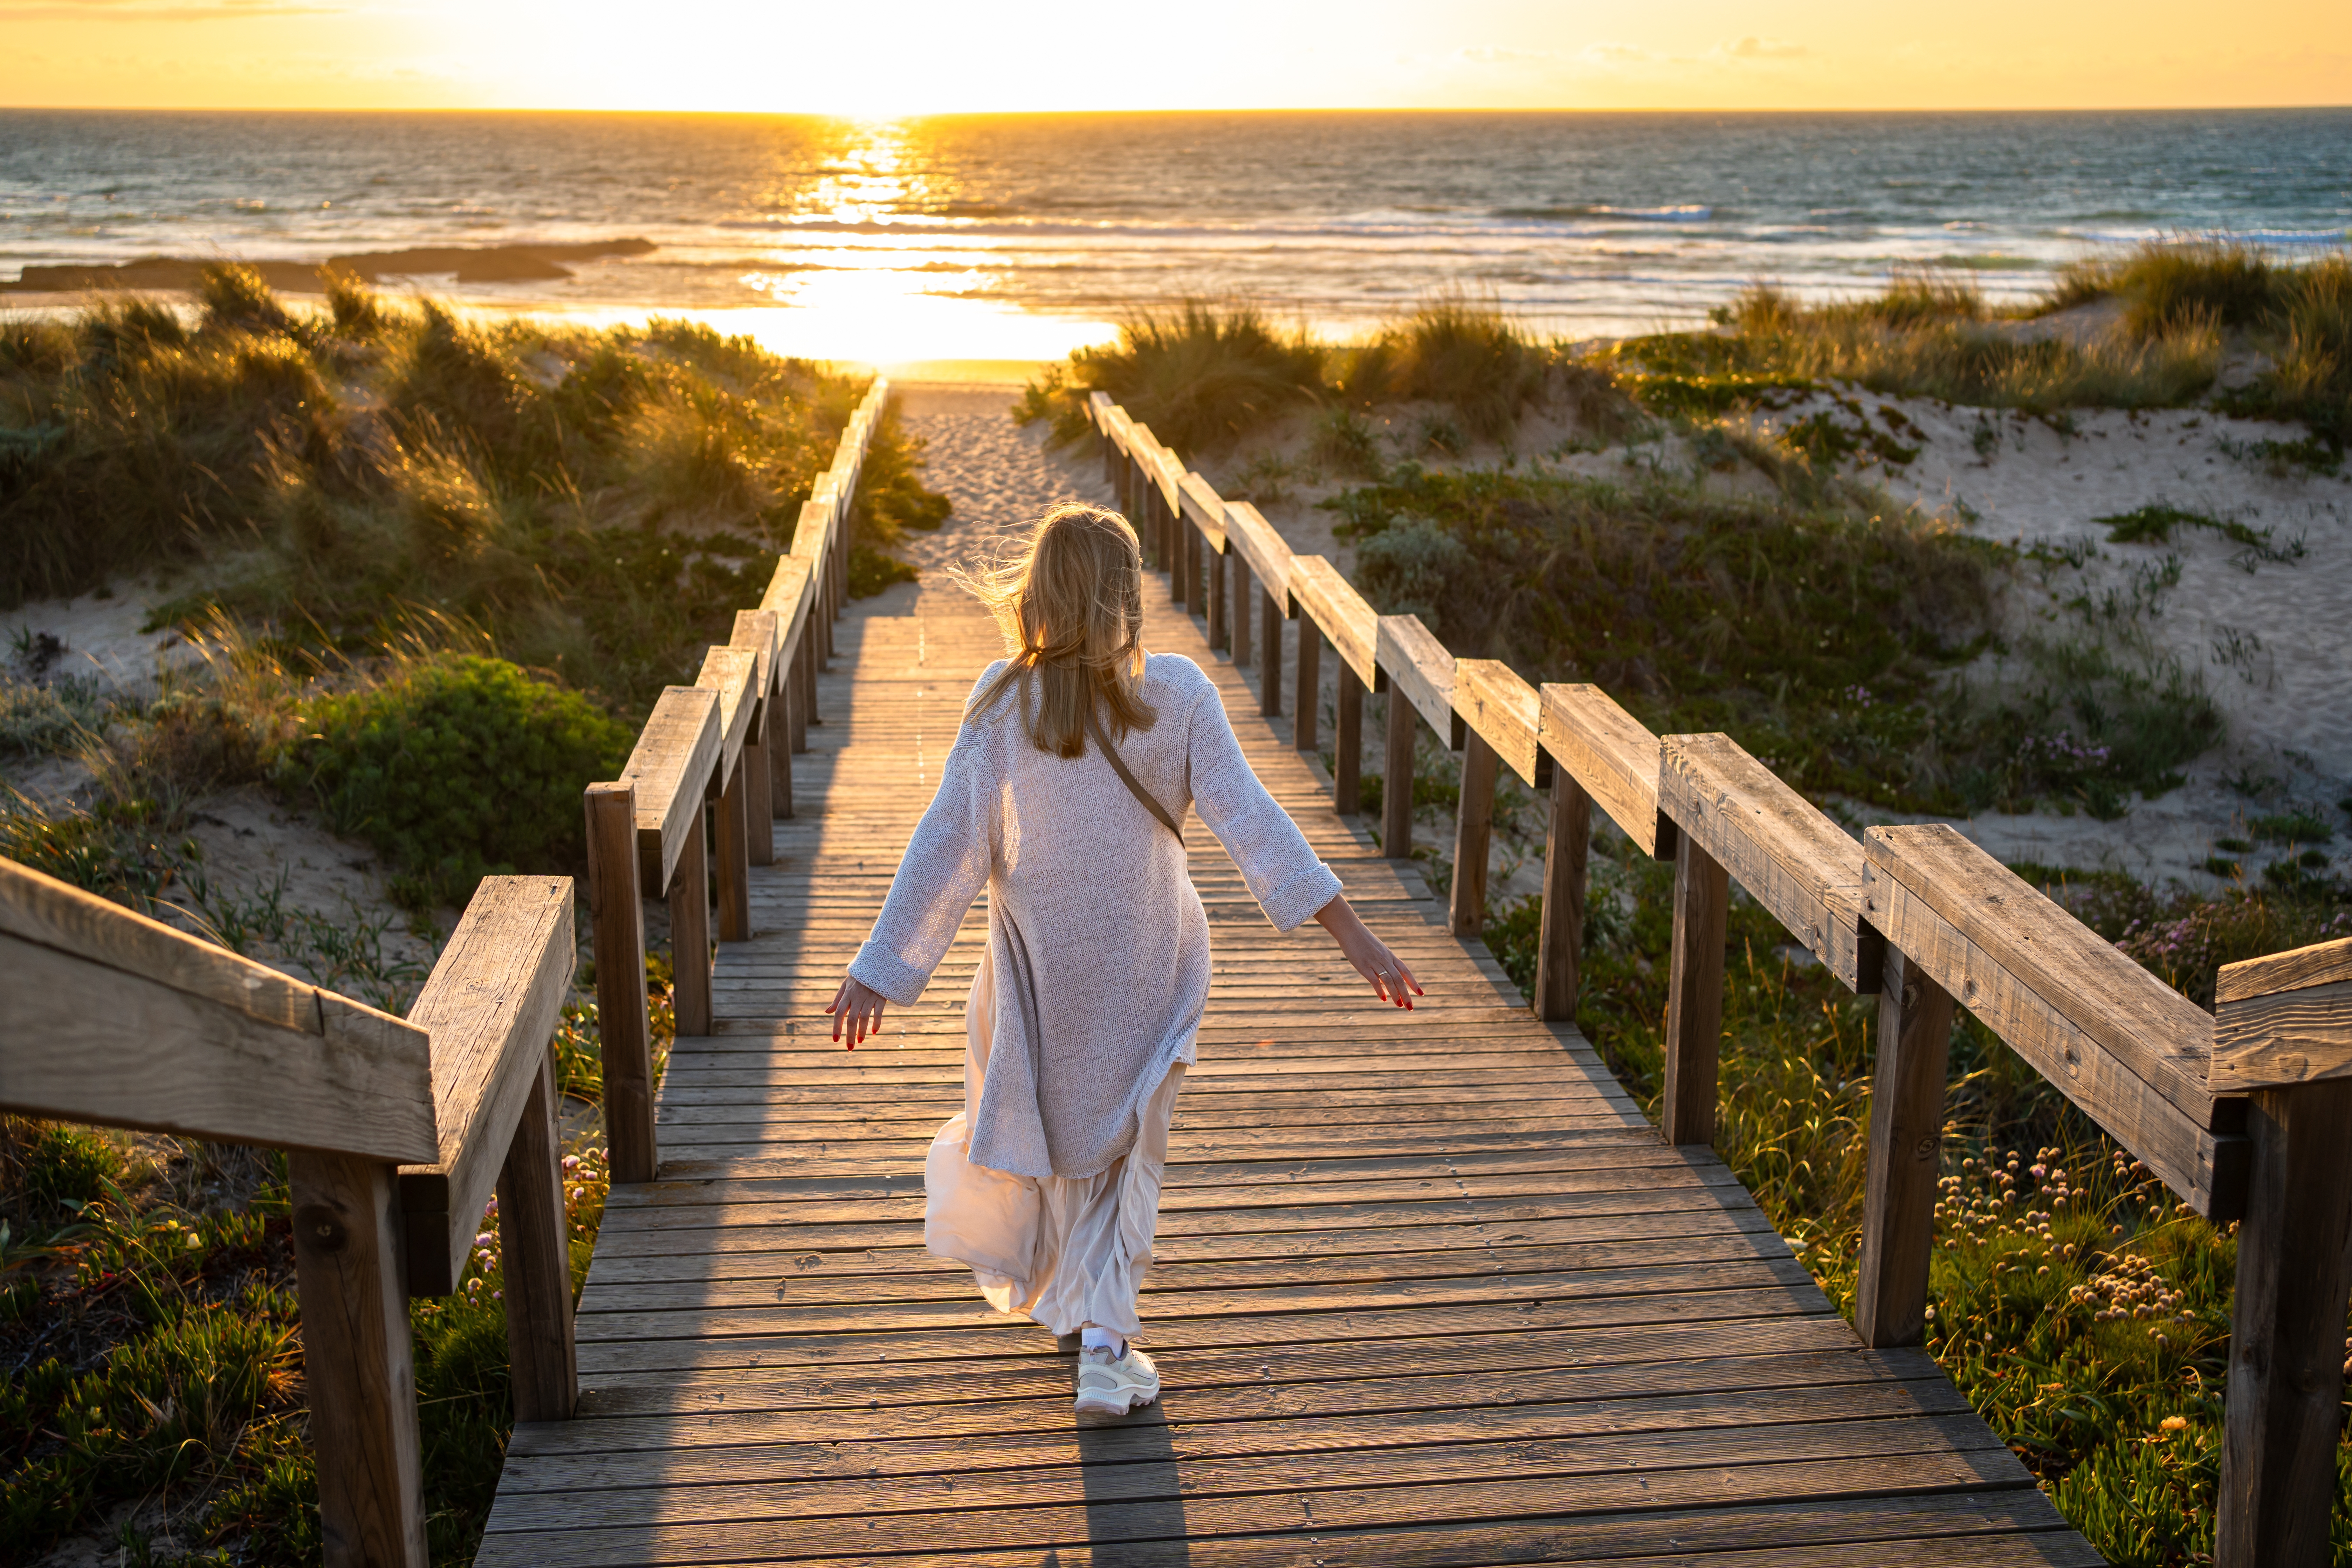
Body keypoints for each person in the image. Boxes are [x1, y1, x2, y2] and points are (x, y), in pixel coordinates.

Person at [827, 501, 1422, 1417]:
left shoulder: (999, 698)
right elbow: (1252, 820)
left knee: (1071, 1144)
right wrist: (1355, 935)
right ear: (1123, 596)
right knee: (1126, 1147)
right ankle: (1104, 1343)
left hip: (1038, 970)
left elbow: (949, 841)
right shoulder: (1178, 693)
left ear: (1037, 594)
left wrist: (882, 965)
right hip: (1150, 965)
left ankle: (1091, 1323)